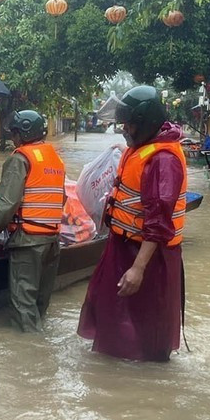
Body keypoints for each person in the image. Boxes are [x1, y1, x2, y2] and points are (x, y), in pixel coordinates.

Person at [77, 85, 187, 361]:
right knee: (110, 310)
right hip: (123, 245)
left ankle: (142, 381)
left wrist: (138, 269)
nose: (124, 130)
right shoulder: (143, 148)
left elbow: (158, 220)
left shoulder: (162, 161)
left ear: (147, 124)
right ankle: (113, 363)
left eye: (129, 125)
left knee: (146, 322)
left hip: (148, 255)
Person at [0, 110, 65, 332]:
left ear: (23, 132)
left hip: (28, 241)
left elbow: (7, 203)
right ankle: (41, 354)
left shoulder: (20, 158)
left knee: (23, 305)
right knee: (39, 305)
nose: (13, 138)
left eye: (14, 132)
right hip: (52, 240)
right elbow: (61, 198)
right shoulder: (55, 158)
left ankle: (29, 355)